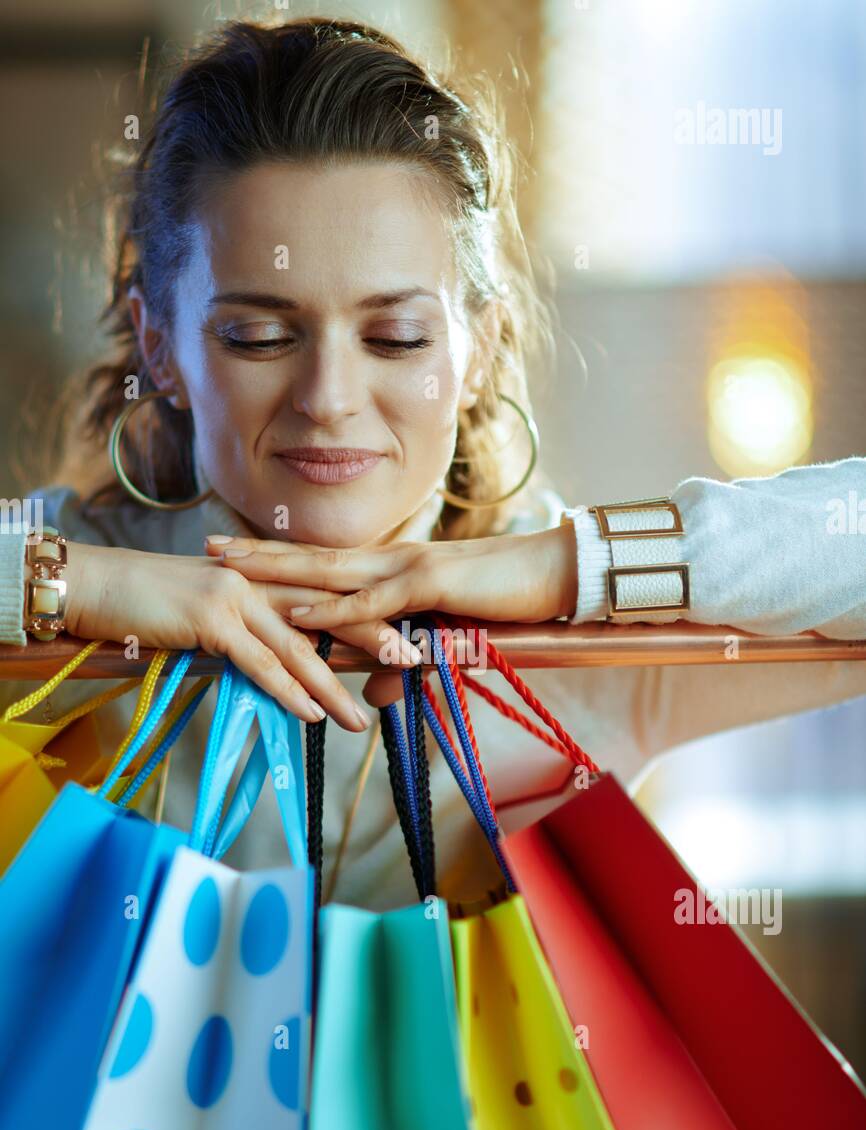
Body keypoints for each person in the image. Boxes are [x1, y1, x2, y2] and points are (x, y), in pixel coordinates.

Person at [1, 17, 865, 911]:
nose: (329, 395)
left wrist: (565, 564)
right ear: (160, 347)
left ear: (479, 351)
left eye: (397, 336)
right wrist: (75, 589)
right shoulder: (63, 577)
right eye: (259, 336)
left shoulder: (586, 637)